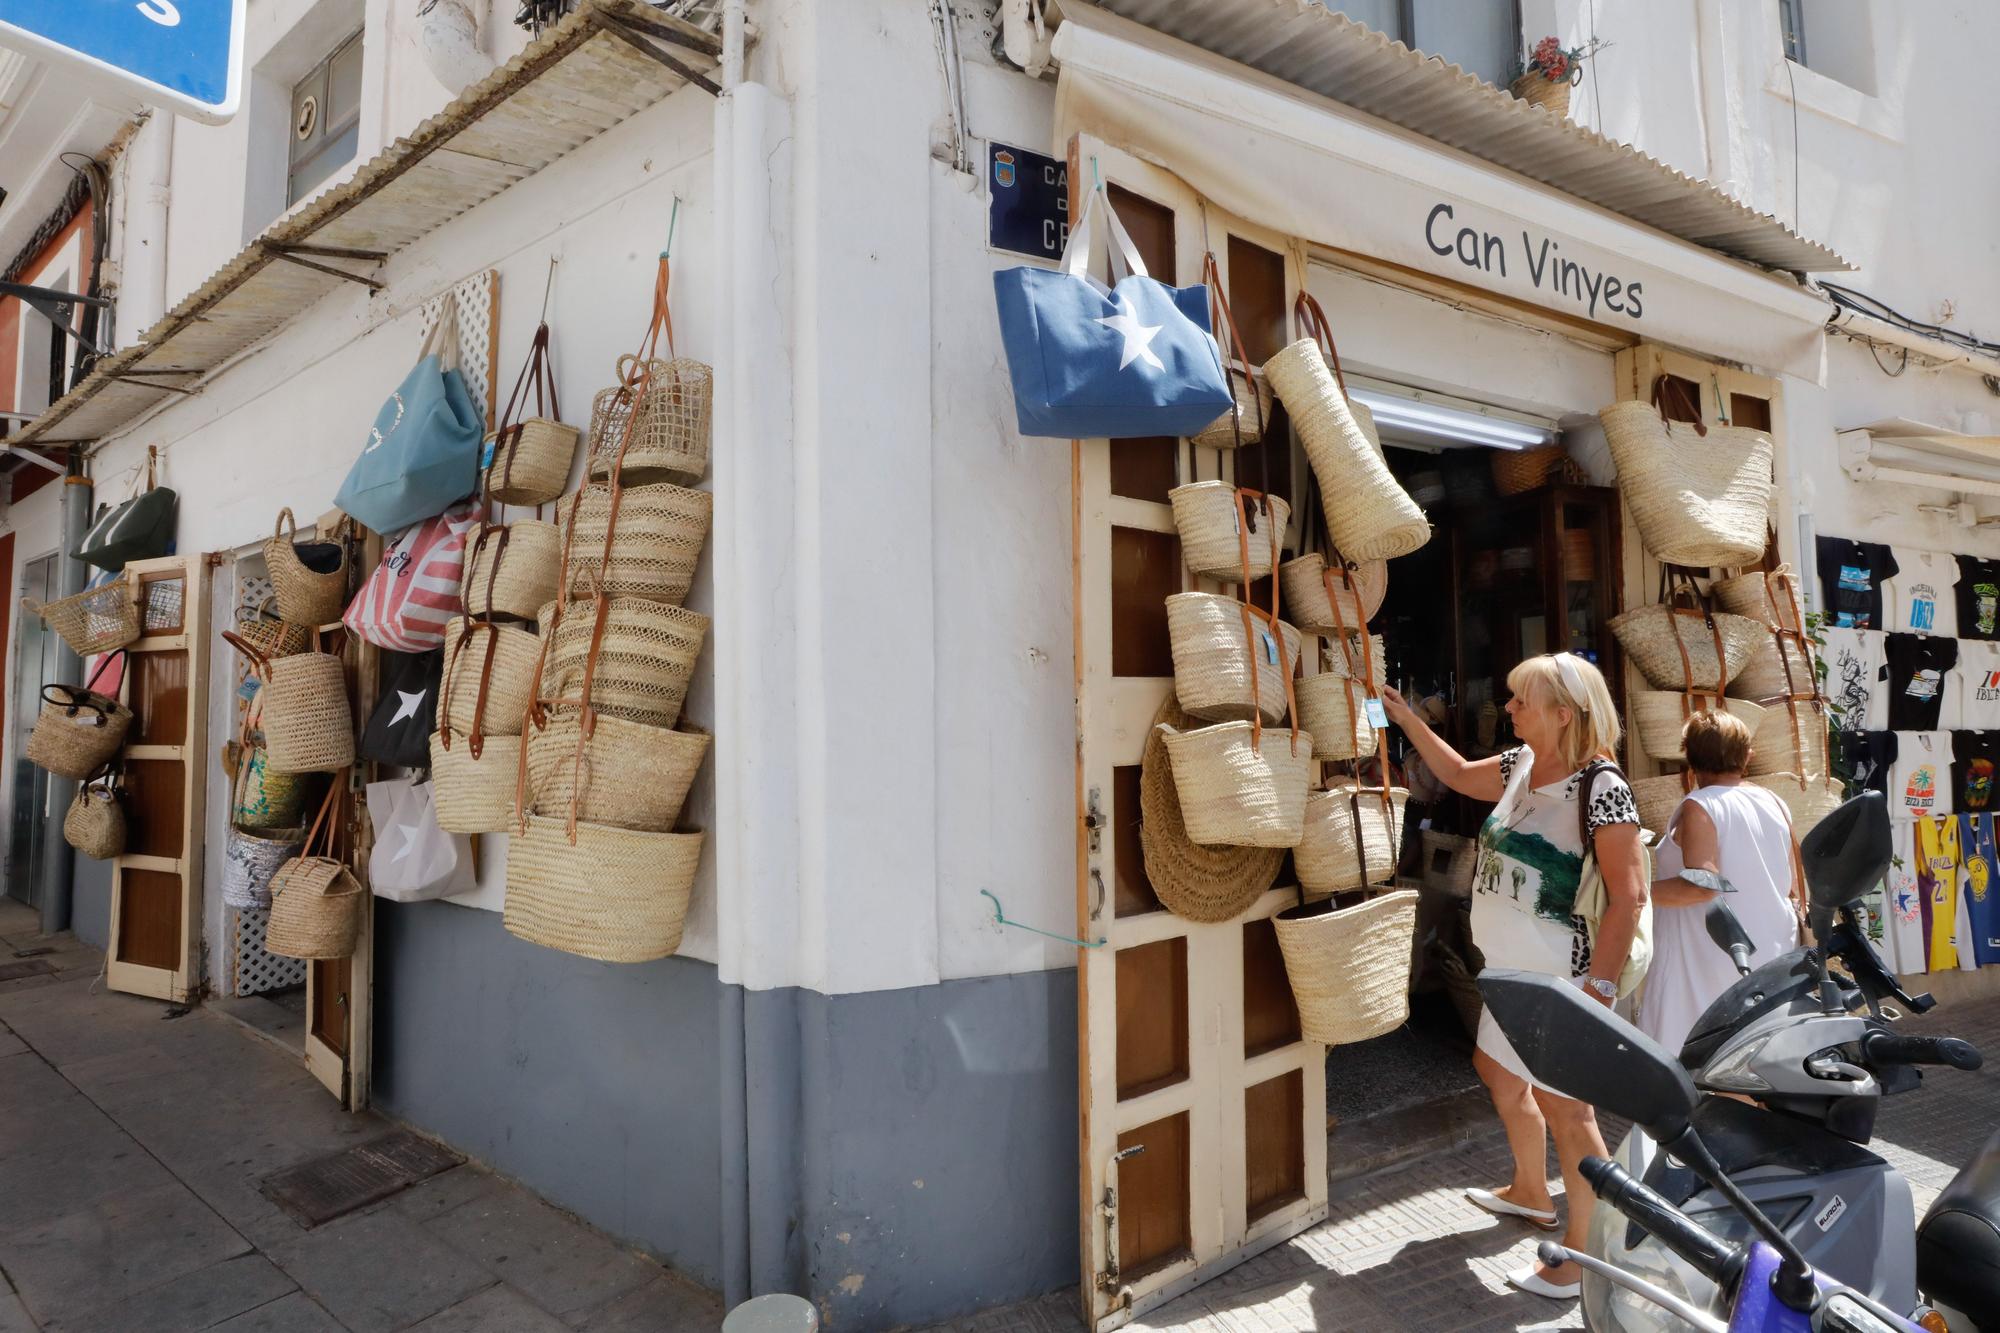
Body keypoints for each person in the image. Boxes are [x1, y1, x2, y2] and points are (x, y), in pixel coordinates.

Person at [1382, 653, 1647, 1301]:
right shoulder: (1520, 765)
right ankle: (1532, 1190)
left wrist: (1599, 992)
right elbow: (1449, 773)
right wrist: (1406, 717)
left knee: (1569, 1111)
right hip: (1507, 973)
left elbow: (1630, 895)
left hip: (1562, 979)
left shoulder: (1601, 786)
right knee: (1496, 1068)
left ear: (1564, 713)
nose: (1509, 708)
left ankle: (1590, 1254)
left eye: (1522, 700)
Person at [1639, 710, 1803, 1056]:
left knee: (1702, 1060)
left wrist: (1632, 894)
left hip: (1709, 958)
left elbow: (1702, 885)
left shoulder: (1701, 806)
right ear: (1747, 756)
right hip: (1769, 952)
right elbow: (1791, 883)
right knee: (1755, 1058)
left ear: (1689, 755)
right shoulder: (1773, 801)